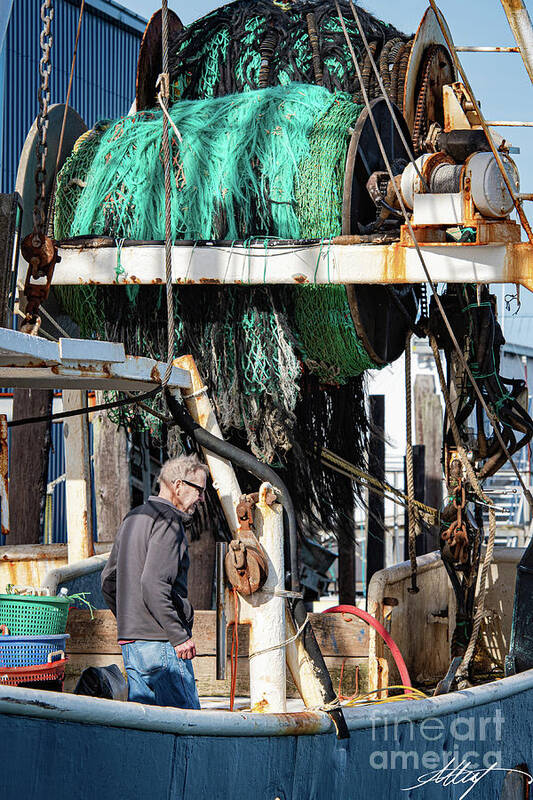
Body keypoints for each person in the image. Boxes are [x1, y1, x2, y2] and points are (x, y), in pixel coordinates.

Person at [101, 453, 208, 709]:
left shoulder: (133, 517)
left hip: (131, 644)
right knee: (186, 726)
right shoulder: (169, 522)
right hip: (162, 643)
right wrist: (179, 636)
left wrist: (132, 619)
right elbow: (154, 584)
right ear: (179, 485)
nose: (202, 499)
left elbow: (108, 580)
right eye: (200, 491)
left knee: (146, 728)